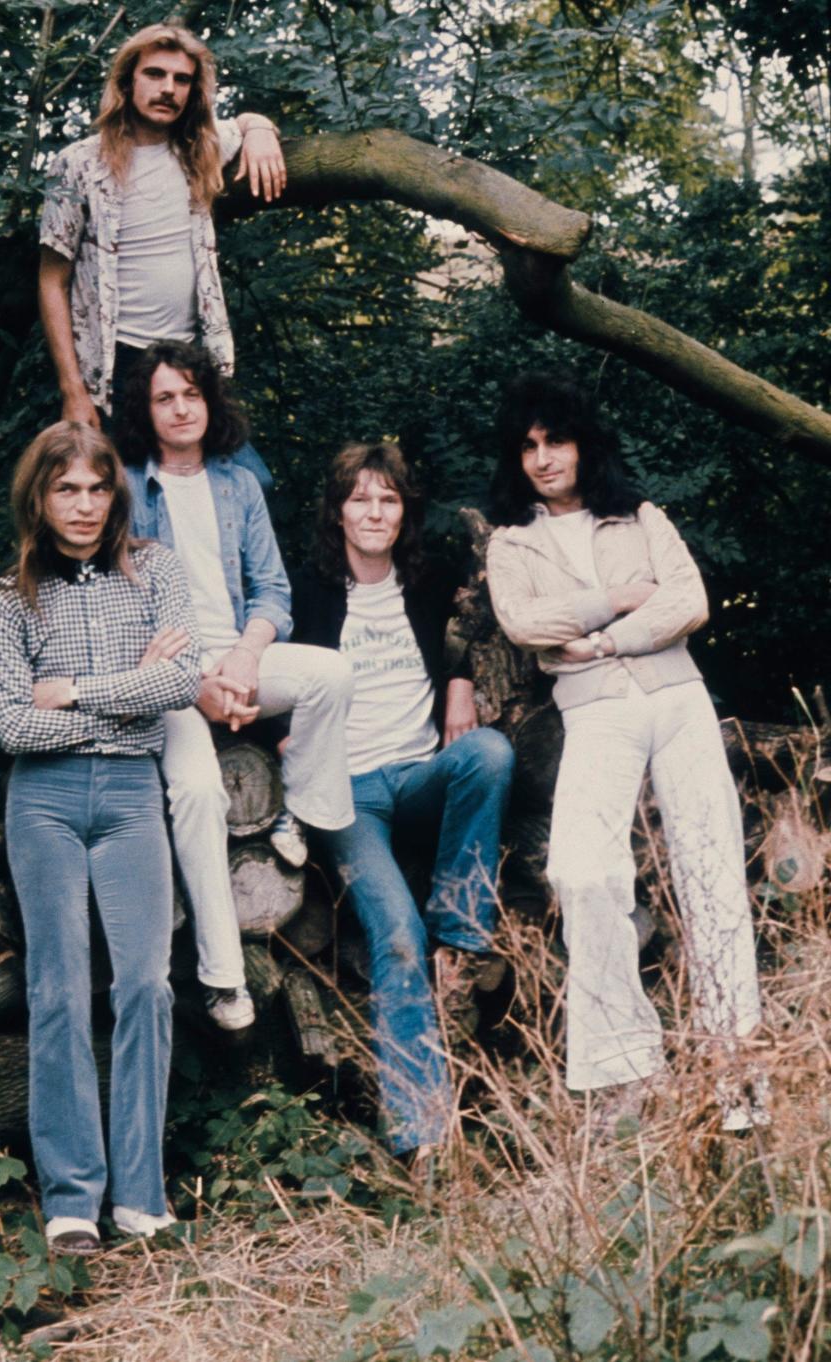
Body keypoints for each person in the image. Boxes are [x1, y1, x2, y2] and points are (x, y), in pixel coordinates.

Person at [485, 371, 764, 1129]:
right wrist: (617, 597)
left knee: (710, 871)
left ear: (583, 443)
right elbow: (522, 622)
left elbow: (690, 601)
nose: (543, 459)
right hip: (597, 713)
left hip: (676, 698)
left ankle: (736, 1076)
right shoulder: (511, 542)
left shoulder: (638, 514)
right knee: (582, 871)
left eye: (556, 441)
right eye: (529, 447)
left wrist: (604, 637)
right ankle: (625, 1069)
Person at [0, 421, 204, 1254]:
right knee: (61, 991)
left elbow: (180, 680)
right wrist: (128, 690)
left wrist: (70, 692)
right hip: (41, 804)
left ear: (117, 495)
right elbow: (11, 724)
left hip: (130, 797)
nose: (82, 504)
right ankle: (72, 1199)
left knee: (146, 983)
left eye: (97, 487)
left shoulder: (154, 573)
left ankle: (141, 1195)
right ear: (38, 496)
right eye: (65, 488)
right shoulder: (9, 599)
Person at [119, 340, 355, 1032]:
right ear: (146, 409)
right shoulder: (128, 489)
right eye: (165, 396)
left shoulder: (237, 485)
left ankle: (296, 814)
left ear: (210, 402)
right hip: (168, 674)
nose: (181, 407)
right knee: (196, 791)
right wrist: (195, 684)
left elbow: (273, 592)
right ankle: (225, 979)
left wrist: (248, 660)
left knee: (331, 674)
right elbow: (126, 614)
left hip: (236, 657)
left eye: (192, 393)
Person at [291, 442, 515, 1158]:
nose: (375, 512)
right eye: (361, 498)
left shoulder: (427, 583)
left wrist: (458, 681)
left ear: (404, 513)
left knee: (490, 752)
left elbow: (471, 633)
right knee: (393, 935)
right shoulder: (311, 592)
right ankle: (422, 1135)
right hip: (347, 794)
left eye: (388, 499)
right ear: (339, 511)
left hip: (419, 774)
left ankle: (464, 927)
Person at [38, 21, 283, 489]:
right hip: (118, 366)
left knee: (249, 483)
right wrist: (73, 391)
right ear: (128, 81)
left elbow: (247, 123)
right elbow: (53, 280)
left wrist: (262, 132)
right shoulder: (77, 164)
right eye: (155, 74)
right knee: (126, 499)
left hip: (188, 359)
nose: (168, 88)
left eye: (182, 79)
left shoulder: (201, 150)